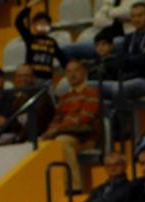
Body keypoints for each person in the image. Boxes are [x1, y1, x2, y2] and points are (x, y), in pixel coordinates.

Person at [40, 59, 101, 192]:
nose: (72, 74)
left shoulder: (92, 92)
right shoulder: (64, 97)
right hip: (65, 133)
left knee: (62, 141)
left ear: (84, 72)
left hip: (85, 137)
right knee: (41, 143)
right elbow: (56, 119)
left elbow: (85, 118)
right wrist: (50, 131)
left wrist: (57, 129)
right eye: (69, 72)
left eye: (76, 70)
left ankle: (75, 187)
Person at [15, 2, 67, 80]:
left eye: (45, 23)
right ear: (34, 25)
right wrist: (27, 8)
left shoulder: (52, 42)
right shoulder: (30, 38)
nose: (42, 25)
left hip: (47, 79)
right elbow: (18, 22)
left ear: (49, 26)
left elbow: (62, 58)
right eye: (39, 23)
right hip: (32, 79)